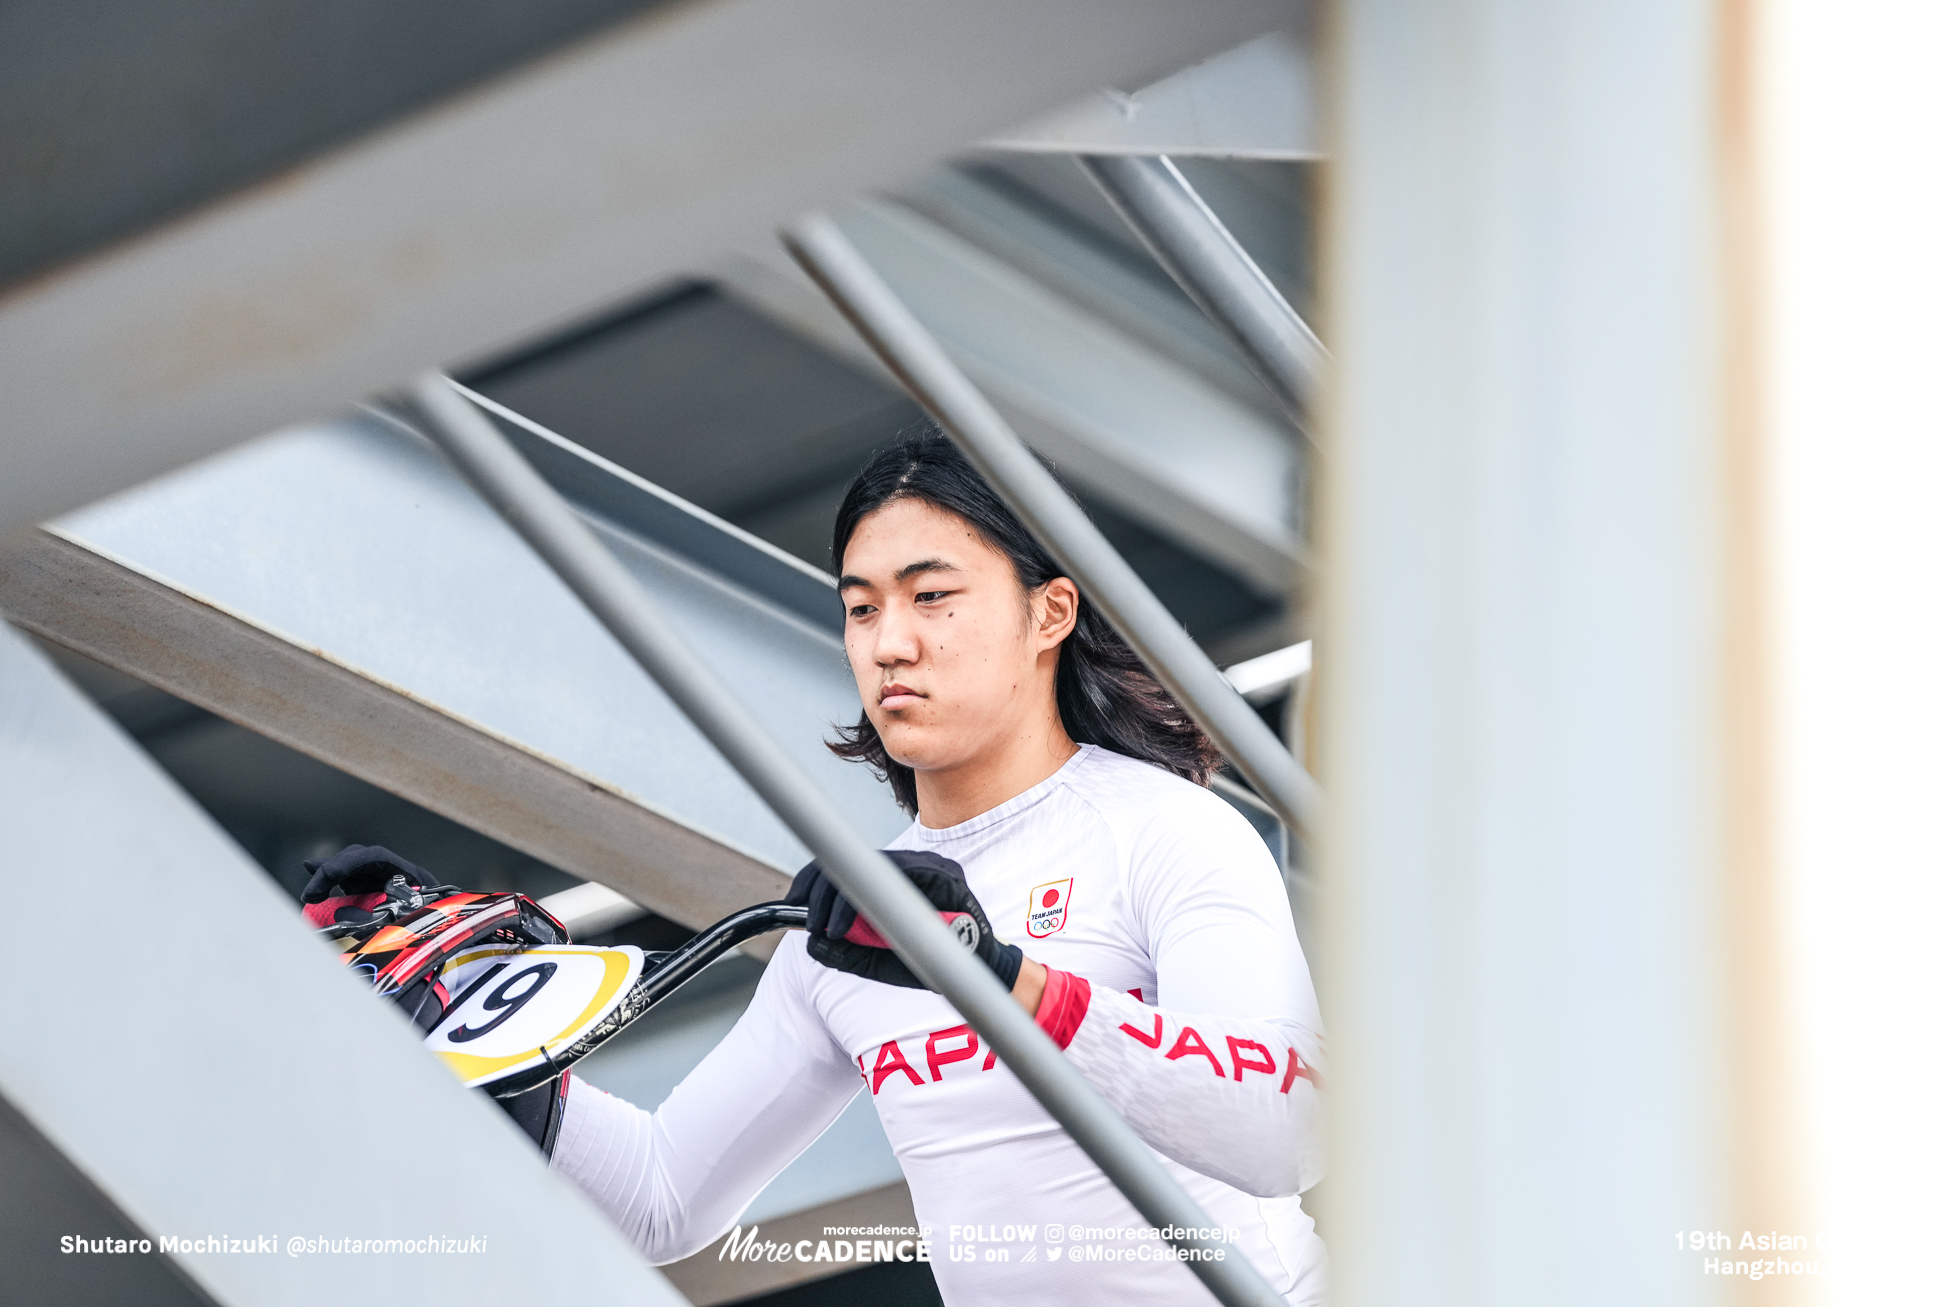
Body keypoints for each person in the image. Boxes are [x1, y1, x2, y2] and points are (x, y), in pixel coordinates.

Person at [549, 430, 1327, 1303]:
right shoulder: (855, 923)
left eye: (931, 596)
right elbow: (663, 1199)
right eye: (863, 608)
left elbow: (1284, 1131)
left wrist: (1001, 977)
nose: (890, 644)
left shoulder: (1165, 830)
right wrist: (456, 1028)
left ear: (1051, 613)